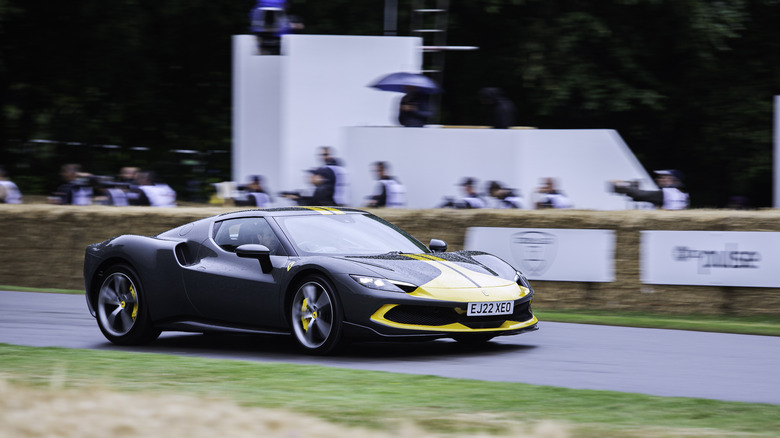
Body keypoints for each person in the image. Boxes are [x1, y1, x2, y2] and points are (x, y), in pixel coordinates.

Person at [611, 169, 689, 210]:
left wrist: (622, 185)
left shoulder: (665, 193)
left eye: (663, 177)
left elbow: (638, 195)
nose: (658, 179)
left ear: (673, 179)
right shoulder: (682, 194)